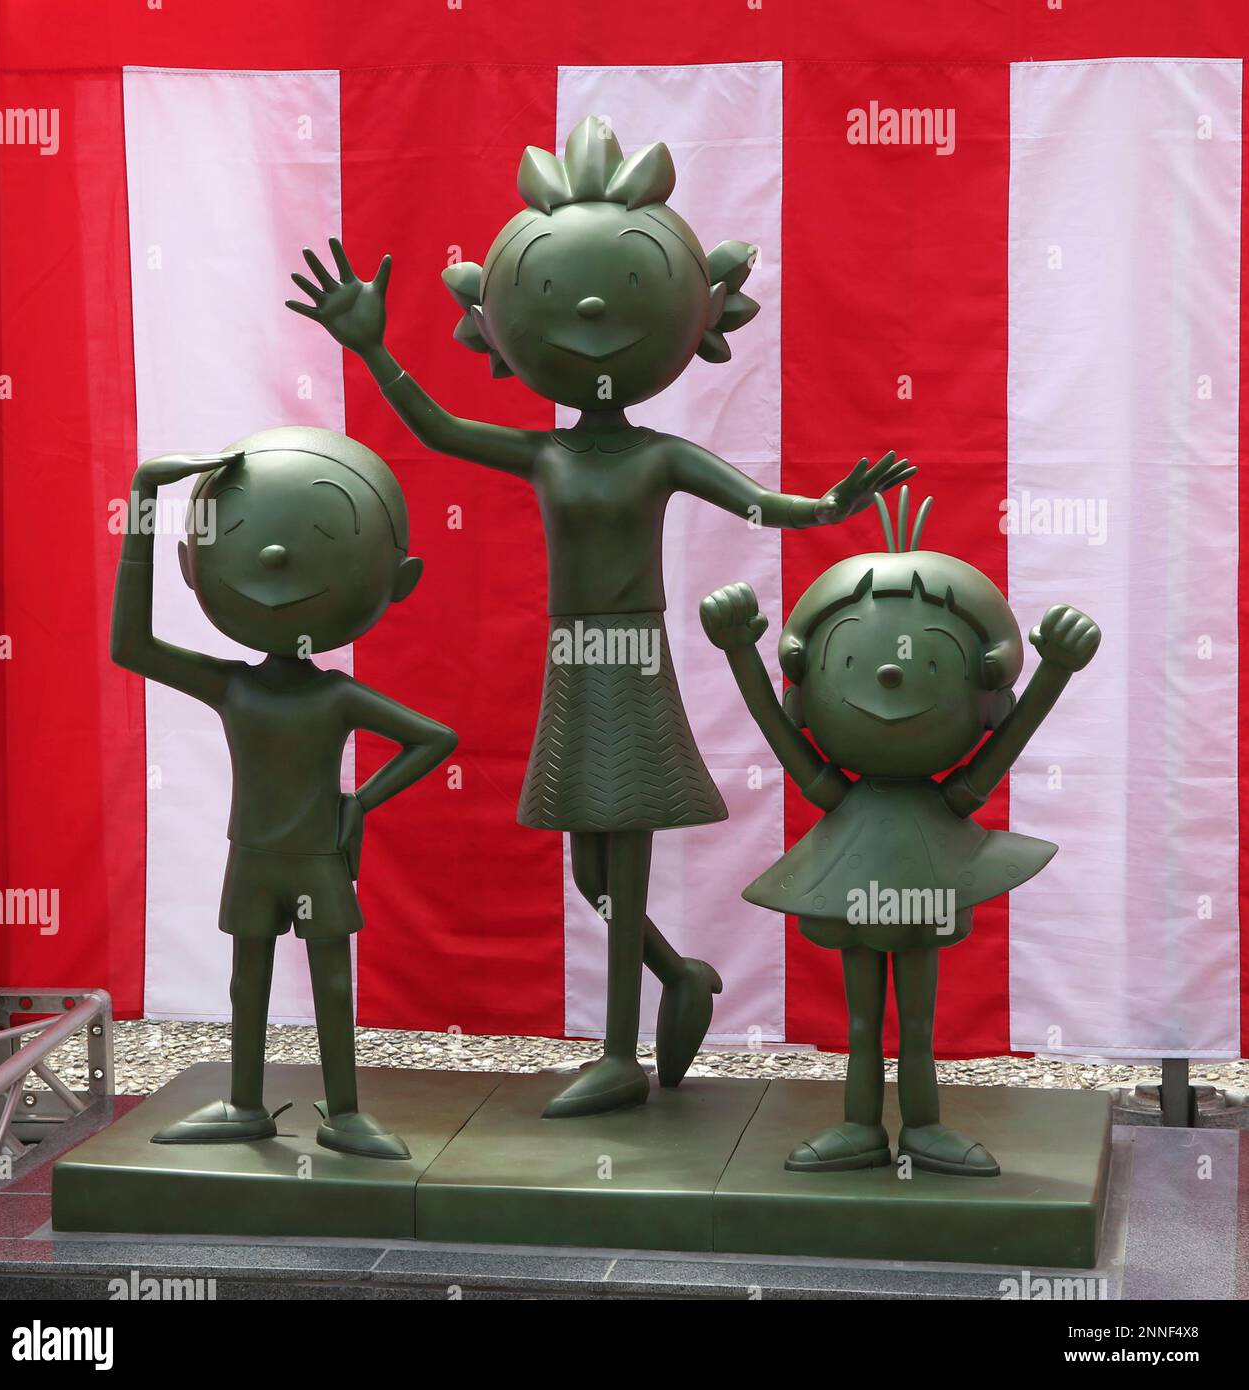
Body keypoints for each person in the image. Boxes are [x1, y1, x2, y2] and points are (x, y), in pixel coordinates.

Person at [287, 116, 911, 1119]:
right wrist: (371, 349)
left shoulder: (659, 454)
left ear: (693, 319)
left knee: (622, 845)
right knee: (590, 864)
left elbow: (760, 503)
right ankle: (679, 976)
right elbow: (438, 429)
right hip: (575, 661)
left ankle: (621, 1048)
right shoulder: (548, 454)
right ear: (500, 329)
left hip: (632, 658)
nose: (586, 310)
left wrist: (830, 507)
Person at [701, 487, 1100, 1175]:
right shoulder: (847, 789)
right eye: (850, 661)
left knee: (916, 1022)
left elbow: (996, 755)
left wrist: (1057, 671)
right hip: (854, 876)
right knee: (860, 1022)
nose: (889, 671)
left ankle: (923, 1126)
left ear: (984, 685)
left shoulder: (941, 795)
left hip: (924, 873)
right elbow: (778, 733)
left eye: (932, 661)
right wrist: (739, 651)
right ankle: (860, 1126)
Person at [111, 426, 457, 1158]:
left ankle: (346, 1110)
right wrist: (143, 497)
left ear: (395, 581)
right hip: (263, 853)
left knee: (331, 983)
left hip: (310, 855)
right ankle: (244, 1103)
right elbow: (129, 645)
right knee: (248, 979)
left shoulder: (328, 694)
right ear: (191, 565)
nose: (272, 556)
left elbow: (435, 738)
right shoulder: (238, 685)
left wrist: (360, 802)